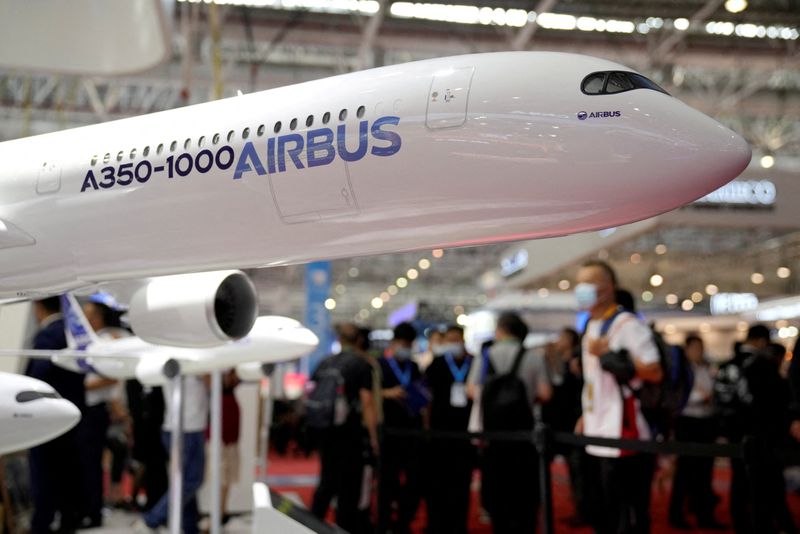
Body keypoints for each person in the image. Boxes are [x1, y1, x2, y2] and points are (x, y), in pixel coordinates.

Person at [574, 260, 662, 534]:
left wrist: (607, 355)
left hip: (625, 431)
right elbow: (593, 381)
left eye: (589, 284)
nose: (582, 290)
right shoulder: (591, 325)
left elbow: (654, 371)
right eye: (580, 284)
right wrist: (585, 415)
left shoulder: (627, 324)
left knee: (628, 509)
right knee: (605, 508)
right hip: (598, 428)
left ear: (607, 288)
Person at [467, 311, 552, 534]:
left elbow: (471, 390)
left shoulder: (486, 355)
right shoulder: (534, 356)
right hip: (525, 436)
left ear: (500, 330)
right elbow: (545, 393)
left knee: (497, 492)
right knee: (525, 493)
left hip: (493, 436)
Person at [716, 327, 796, 534]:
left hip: (735, 430)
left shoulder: (729, 364)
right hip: (759, 434)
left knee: (741, 481)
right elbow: (774, 401)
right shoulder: (758, 366)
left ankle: (742, 523)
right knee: (763, 485)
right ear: (762, 342)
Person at [310, 323, 379, 534]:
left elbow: (311, 393)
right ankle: (343, 527)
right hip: (350, 434)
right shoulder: (362, 364)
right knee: (348, 487)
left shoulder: (325, 363)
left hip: (326, 431)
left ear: (339, 340)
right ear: (359, 340)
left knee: (327, 480)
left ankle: (312, 525)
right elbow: (366, 402)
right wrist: (374, 436)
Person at [26, 296, 86, 534]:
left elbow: (36, 378)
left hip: (46, 419)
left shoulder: (47, 335)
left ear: (38, 308)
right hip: (73, 414)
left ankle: (41, 524)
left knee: (44, 474)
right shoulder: (72, 332)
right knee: (68, 472)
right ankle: (69, 520)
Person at [139, 375, 209, 534]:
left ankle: (190, 527)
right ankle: (151, 520)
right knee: (190, 482)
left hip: (186, 425)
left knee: (185, 481)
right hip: (186, 427)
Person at [423, 325, 475, 534]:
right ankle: (436, 523)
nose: (454, 343)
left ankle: (459, 524)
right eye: (450, 340)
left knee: (462, 482)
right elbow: (427, 397)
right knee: (437, 482)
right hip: (440, 433)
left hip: (465, 433)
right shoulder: (437, 364)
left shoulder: (474, 363)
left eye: (457, 339)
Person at [668, 334, 722, 529]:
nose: (698, 351)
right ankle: (677, 515)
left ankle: (704, 515)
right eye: (695, 348)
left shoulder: (705, 369)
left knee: (705, 473)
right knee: (684, 472)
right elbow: (679, 397)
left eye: (701, 347)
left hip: (707, 423)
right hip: (688, 423)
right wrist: (701, 398)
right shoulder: (680, 371)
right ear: (687, 349)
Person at [378, 322, 426, 534]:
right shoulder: (380, 365)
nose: (405, 347)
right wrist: (387, 393)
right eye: (401, 343)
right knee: (387, 480)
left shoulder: (413, 367)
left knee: (414, 480)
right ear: (393, 343)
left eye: (408, 344)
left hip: (412, 430)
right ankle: (384, 521)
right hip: (388, 431)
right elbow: (370, 395)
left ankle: (403, 521)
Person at [542, 327, 589, 527]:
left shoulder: (579, 361)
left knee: (579, 471)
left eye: (562, 337)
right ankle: (581, 508)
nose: (558, 340)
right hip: (561, 423)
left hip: (575, 422)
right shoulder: (560, 360)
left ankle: (584, 511)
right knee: (574, 471)